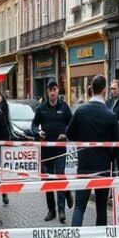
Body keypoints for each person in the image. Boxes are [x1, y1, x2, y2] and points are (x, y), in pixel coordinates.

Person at [63, 75, 119, 238]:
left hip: (84, 166)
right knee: (101, 209)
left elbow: (69, 134)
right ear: (104, 90)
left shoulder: (81, 111)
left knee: (79, 206)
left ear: (91, 88)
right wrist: (113, 161)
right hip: (103, 168)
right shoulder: (110, 115)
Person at [32, 79, 73, 223]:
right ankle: (51, 210)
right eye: (50, 90)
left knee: (60, 176)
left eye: (54, 89)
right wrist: (38, 132)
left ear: (57, 90)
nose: (52, 92)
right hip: (46, 150)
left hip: (60, 149)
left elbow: (72, 124)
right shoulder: (41, 108)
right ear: (47, 92)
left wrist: (66, 133)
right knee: (48, 179)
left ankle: (61, 210)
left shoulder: (64, 107)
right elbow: (34, 125)